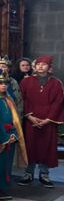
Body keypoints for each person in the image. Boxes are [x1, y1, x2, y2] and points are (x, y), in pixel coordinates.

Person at [20, 56, 63, 188]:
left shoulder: (56, 83)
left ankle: (44, 174)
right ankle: (28, 173)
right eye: (38, 64)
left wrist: (48, 119)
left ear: (49, 67)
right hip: (31, 120)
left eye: (44, 65)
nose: (40, 67)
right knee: (30, 147)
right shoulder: (26, 82)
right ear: (35, 66)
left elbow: (58, 102)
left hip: (48, 122)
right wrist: (29, 116)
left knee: (46, 147)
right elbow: (23, 100)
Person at [0, 70, 28, 196]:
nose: (4, 85)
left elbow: (15, 118)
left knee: (7, 164)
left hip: (10, 135)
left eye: (5, 83)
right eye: (0, 83)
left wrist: (13, 134)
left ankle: (5, 187)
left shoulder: (8, 98)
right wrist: (4, 137)